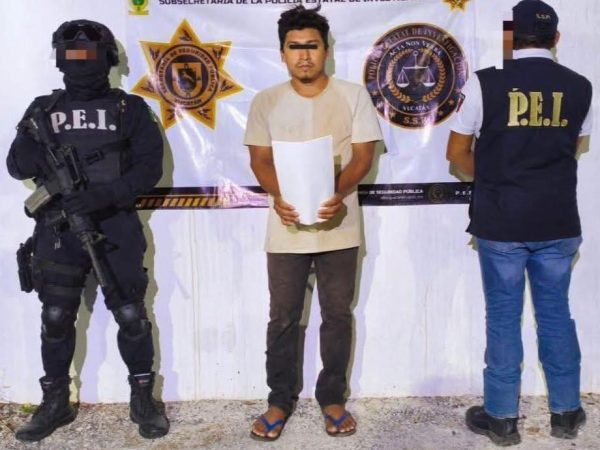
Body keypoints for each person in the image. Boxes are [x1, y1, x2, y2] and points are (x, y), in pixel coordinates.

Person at [7, 19, 169, 441]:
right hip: (57, 229)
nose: (81, 63)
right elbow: (16, 167)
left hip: (115, 226)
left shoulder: (129, 109)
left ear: (108, 58)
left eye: (89, 54)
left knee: (131, 315)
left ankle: (143, 398)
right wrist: (35, 147)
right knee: (56, 316)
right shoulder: (42, 110)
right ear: (60, 60)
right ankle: (55, 402)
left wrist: (103, 196)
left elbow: (149, 169)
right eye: (72, 54)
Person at [446, 0, 592, 446]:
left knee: (503, 318)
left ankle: (502, 418)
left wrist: (497, 178)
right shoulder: (580, 86)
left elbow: (456, 155)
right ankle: (565, 413)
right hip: (558, 219)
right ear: (556, 39)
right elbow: (573, 147)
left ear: (510, 37)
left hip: (502, 221)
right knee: (556, 315)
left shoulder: (484, 83)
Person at [244, 5, 382, 441]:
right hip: (285, 228)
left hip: (339, 224)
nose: (304, 55)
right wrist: (279, 198)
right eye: (295, 47)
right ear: (282, 53)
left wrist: (337, 193)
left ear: (326, 50)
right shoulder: (266, 101)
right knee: (282, 316)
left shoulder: (352, 95)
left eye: (312, 46)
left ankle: (332, 398)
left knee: (337, 315)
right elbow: (260, 160)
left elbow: (364, 155)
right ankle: (278, 400)